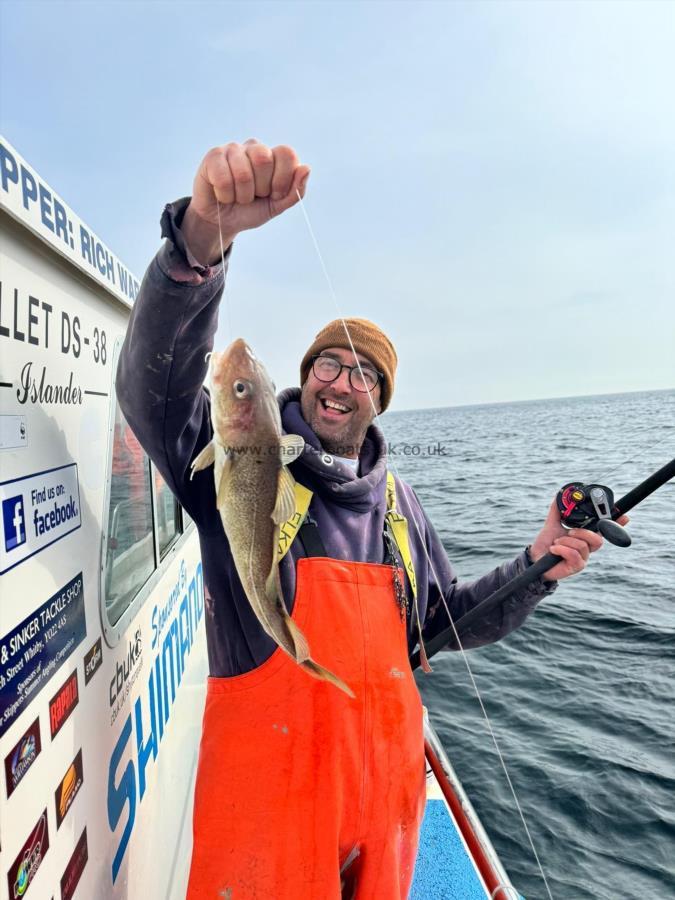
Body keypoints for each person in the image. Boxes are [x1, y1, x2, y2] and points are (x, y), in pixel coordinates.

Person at [116, 140, 624, 900]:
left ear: (379, 400)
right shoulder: (244, 457)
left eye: (364, 374)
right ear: (302, 375)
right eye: (328, 363)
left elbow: (445, 621)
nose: (341, 383)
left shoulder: (398, 504)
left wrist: (538, 562)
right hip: (270, 813)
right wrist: (199, 246)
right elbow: (153, 389)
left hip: (383, 808)